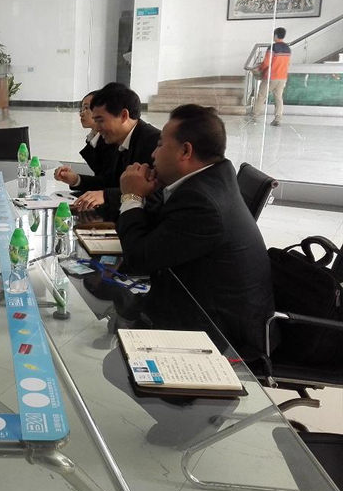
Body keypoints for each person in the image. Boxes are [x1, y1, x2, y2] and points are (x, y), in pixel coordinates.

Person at [116, 104, 274, 360]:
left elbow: (138, 260)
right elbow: (157, 233)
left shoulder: (202, 203)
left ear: (185, 151)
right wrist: (144, 194)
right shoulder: (209, 179)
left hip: (220, 336)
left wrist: (131, 197)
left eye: (160, 145)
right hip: (191, 301)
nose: (153, 154)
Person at [54, 83, 160, 215]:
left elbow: (154, 194)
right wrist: (76, 180)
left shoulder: (154, 143)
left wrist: (106, 196)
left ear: (123, 116)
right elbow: (109, 182)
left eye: (100, 121)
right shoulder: (120, 139)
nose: (97, 128)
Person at [252, 27, 291, 126]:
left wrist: (259, 68)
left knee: (261, 96)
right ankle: (278, 118)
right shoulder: (287, 48)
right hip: (282, 77)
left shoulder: (273, 47)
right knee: (278, 98)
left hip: (271, 76)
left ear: (276, 35)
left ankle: (254, 116)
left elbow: (266, 63)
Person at [78, 90, 116, 176]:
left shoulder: (111, 140)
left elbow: (106, 178)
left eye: (86, 108)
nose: (81, 114)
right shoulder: (92, 138)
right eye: (81, 109)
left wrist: (77, 179)